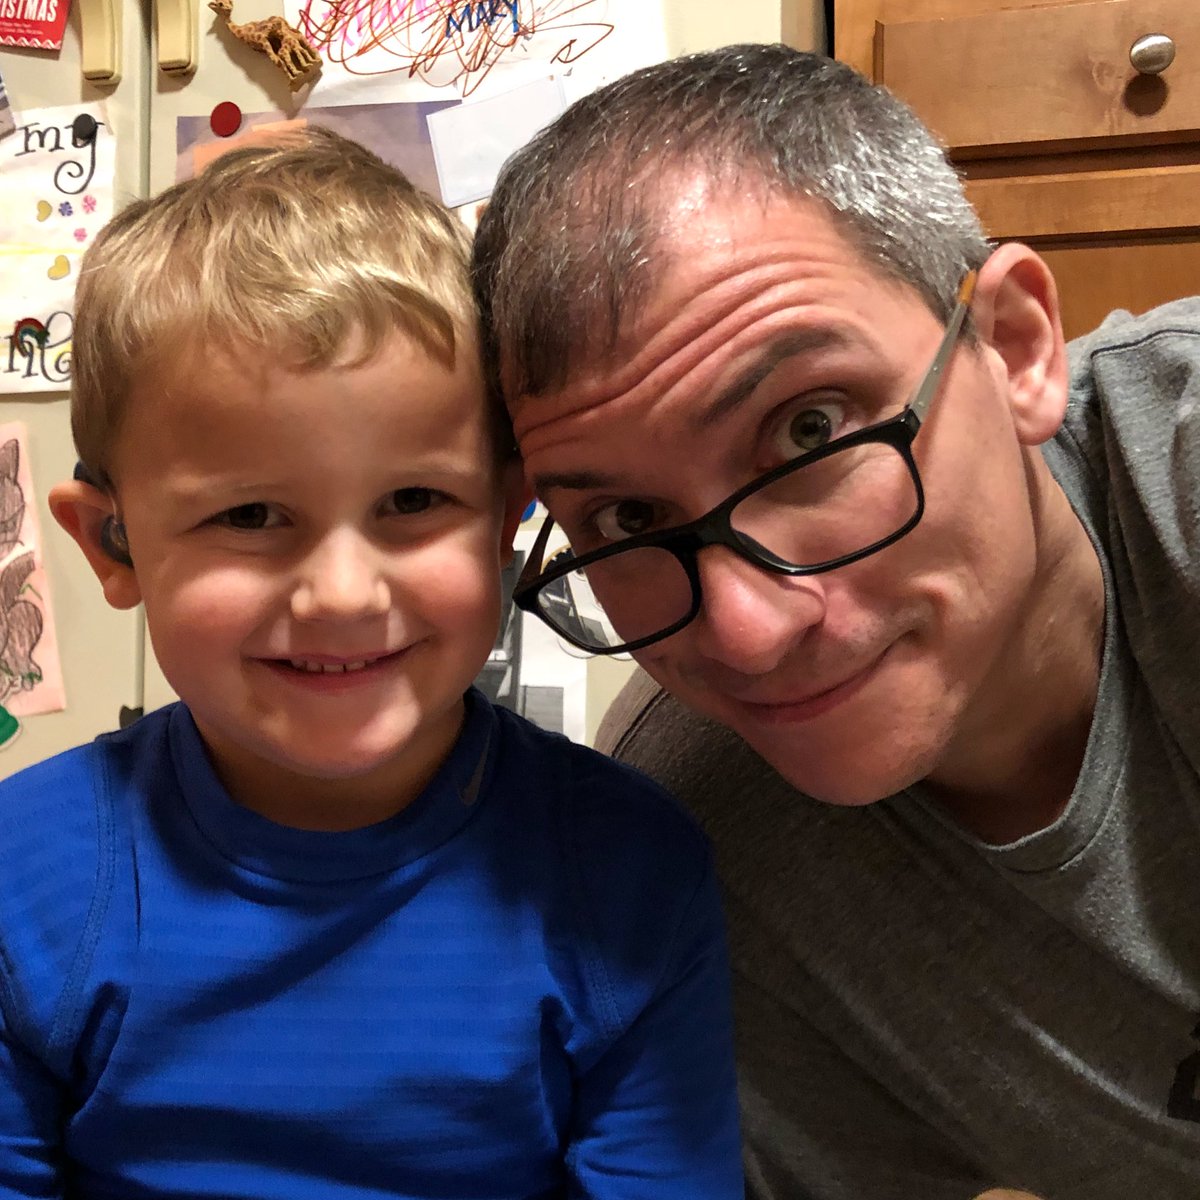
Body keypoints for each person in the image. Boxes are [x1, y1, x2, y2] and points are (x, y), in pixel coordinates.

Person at [472, 42, 1200, 1200]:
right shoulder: (700, 853)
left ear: (1016, 347)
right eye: (626, 517)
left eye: (809, 431)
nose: (747, 634)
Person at [0, 127, 743, 1199]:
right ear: (111, 546)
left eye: (414, 501)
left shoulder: (629, 875)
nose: (344, 594)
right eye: (249, 515)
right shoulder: (26, 883)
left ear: (507, 518)